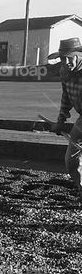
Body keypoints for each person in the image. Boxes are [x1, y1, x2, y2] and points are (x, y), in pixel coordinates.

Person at [49, 36, 82, 195]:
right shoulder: (65, 72)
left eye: (69, 58)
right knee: (71, 161)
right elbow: (66, 97)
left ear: (79, 55)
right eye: (62, 59)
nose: (66, 62)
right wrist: (60, 121)